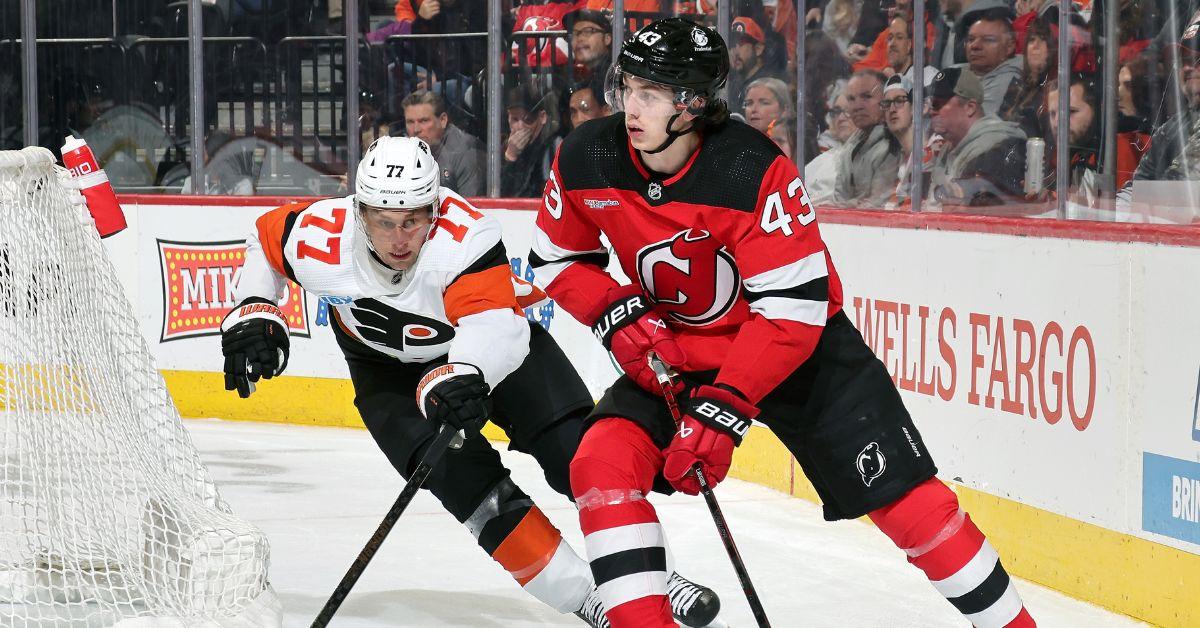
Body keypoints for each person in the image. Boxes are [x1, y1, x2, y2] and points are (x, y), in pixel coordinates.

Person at [530, 17, 1035, 628]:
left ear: (692, 105)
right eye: (627, 87)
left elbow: (792, 309)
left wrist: (723, 410)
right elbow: (557, 257)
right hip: (680, 355)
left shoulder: (751, 168)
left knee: (906, 500)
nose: (629, 108)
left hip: (798, 354)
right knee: (600, 465)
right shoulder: (590, 154)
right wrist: (613, 311)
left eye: (650, 94)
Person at [219, 136, 721, 628]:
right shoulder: (319, 237)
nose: (399, 239)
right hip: (386, 374)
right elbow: (263, 241)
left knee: (580, 456)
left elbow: (493, 326)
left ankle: (654, 578)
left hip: (494, 351)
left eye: (413, 220)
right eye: (384, 222)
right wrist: (254, 308)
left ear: (435, 210)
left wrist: (462, 373)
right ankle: (587, 598)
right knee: (476, 495)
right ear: (359, 212)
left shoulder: (466, 237)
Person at [926, 66, 1027, 208]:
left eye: (937, 104)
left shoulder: (994, 148)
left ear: (970, 107)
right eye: (931, 104)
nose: (931, 111)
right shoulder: (948, 147)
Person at [833, 69, 902, 207]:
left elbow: (877, 204)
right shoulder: (851, 144)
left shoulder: (893, 145)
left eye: (866, 97)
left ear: (885, 100)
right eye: (852, 99)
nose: (857, 106)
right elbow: (839, 197)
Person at [402, 89, 485, 197]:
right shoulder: (402, 152)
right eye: (410, 122)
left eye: (424, 121)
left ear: (443, 120)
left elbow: (472, 209)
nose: (416, 129)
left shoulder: (466, 153)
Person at [501, 81, 561, 198]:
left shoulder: (552, 148)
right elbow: (502, 195)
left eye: (527, 119)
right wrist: (510, 158)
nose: (520, 126)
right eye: (514, 119)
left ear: (542, 117)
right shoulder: (503, 148)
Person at [960, 9, 1023, 116]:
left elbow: (971, 123)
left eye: (988, 40)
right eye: (971, 39)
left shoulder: (1010, 80)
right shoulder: (955, 70)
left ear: (1009, 47)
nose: (974, 46)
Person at [565, 9, 612, 83]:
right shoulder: (589, 76)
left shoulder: (618, 73)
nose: (579, 38)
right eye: (574, 34)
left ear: (607, 39)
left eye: (588, 31)